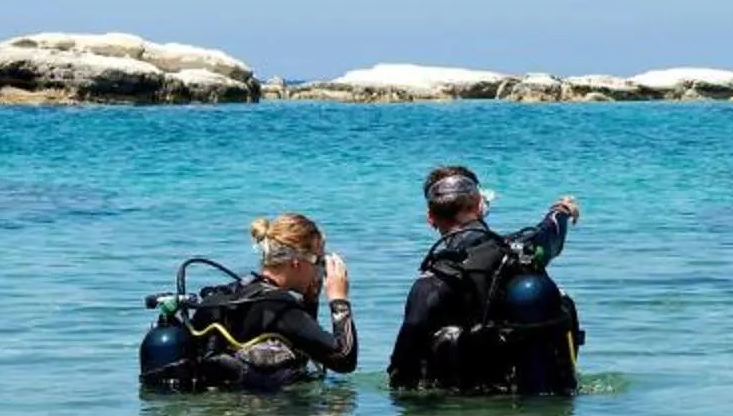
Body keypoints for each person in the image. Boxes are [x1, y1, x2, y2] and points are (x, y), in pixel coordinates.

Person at [388, 165, 584, 395]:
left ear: (430, 218)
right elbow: (552, 232)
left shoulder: (429, 286)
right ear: (481, 206)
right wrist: (562, 210)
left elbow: (400, 375)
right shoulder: (525, 252)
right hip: (533, 397)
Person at [147, 212, 359, 391]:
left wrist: (310, 301)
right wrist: (339, 299)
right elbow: (343, 358)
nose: (320, 271)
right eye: (319, 261)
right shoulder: (279, 307)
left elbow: (302, 348)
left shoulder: (223, 298)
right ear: (297, 263)